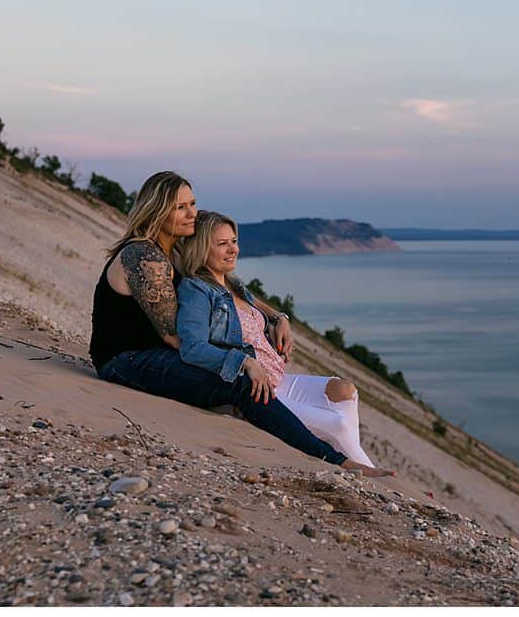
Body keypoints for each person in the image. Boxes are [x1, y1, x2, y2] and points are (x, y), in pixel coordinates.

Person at [88, 171, 391, 476]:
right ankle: (334, 460)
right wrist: (241, 361)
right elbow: (175, 337)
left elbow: (230, 292)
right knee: (238, 383)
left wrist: (276, 317)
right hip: (127, 359)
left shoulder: (176, 252)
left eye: (192, 203)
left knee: (270, 383)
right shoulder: (144, 255)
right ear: (157, 210)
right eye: (180, 207)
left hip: (159, 355)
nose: (192, 213)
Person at [176, 210, 381, 469]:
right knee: (336, 424)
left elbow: (263, 311)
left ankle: (352, 460)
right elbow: (192, 348)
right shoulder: (196, 290)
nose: (233, 250)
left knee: (345, 391)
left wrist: (280, 318)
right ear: (201, 248)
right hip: (256, 390)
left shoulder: (232, 284)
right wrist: (244, 363)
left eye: (234, 241)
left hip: (279, 379)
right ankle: (376, 479)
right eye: (222, 244)